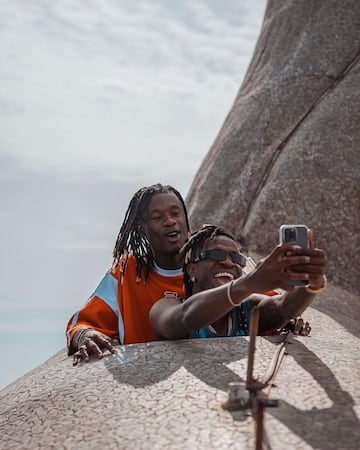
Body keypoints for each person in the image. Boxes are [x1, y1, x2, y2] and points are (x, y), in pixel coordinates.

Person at [66, 183, 190, 365]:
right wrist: (85, 335)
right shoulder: (127, 272)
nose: (170, 221)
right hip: (142, 378)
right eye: (157, 217)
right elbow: (82, 323)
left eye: (176, 213)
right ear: (142, 230)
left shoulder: (212, 261)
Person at [149, 224, 327, 340]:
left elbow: (283, 309)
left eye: (236, 258)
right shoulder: (164, 307)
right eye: (216, 255)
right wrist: (249, 283)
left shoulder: (245, 310)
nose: (228, 262)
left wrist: (312, 283)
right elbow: (184, 318)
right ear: (192, 270)